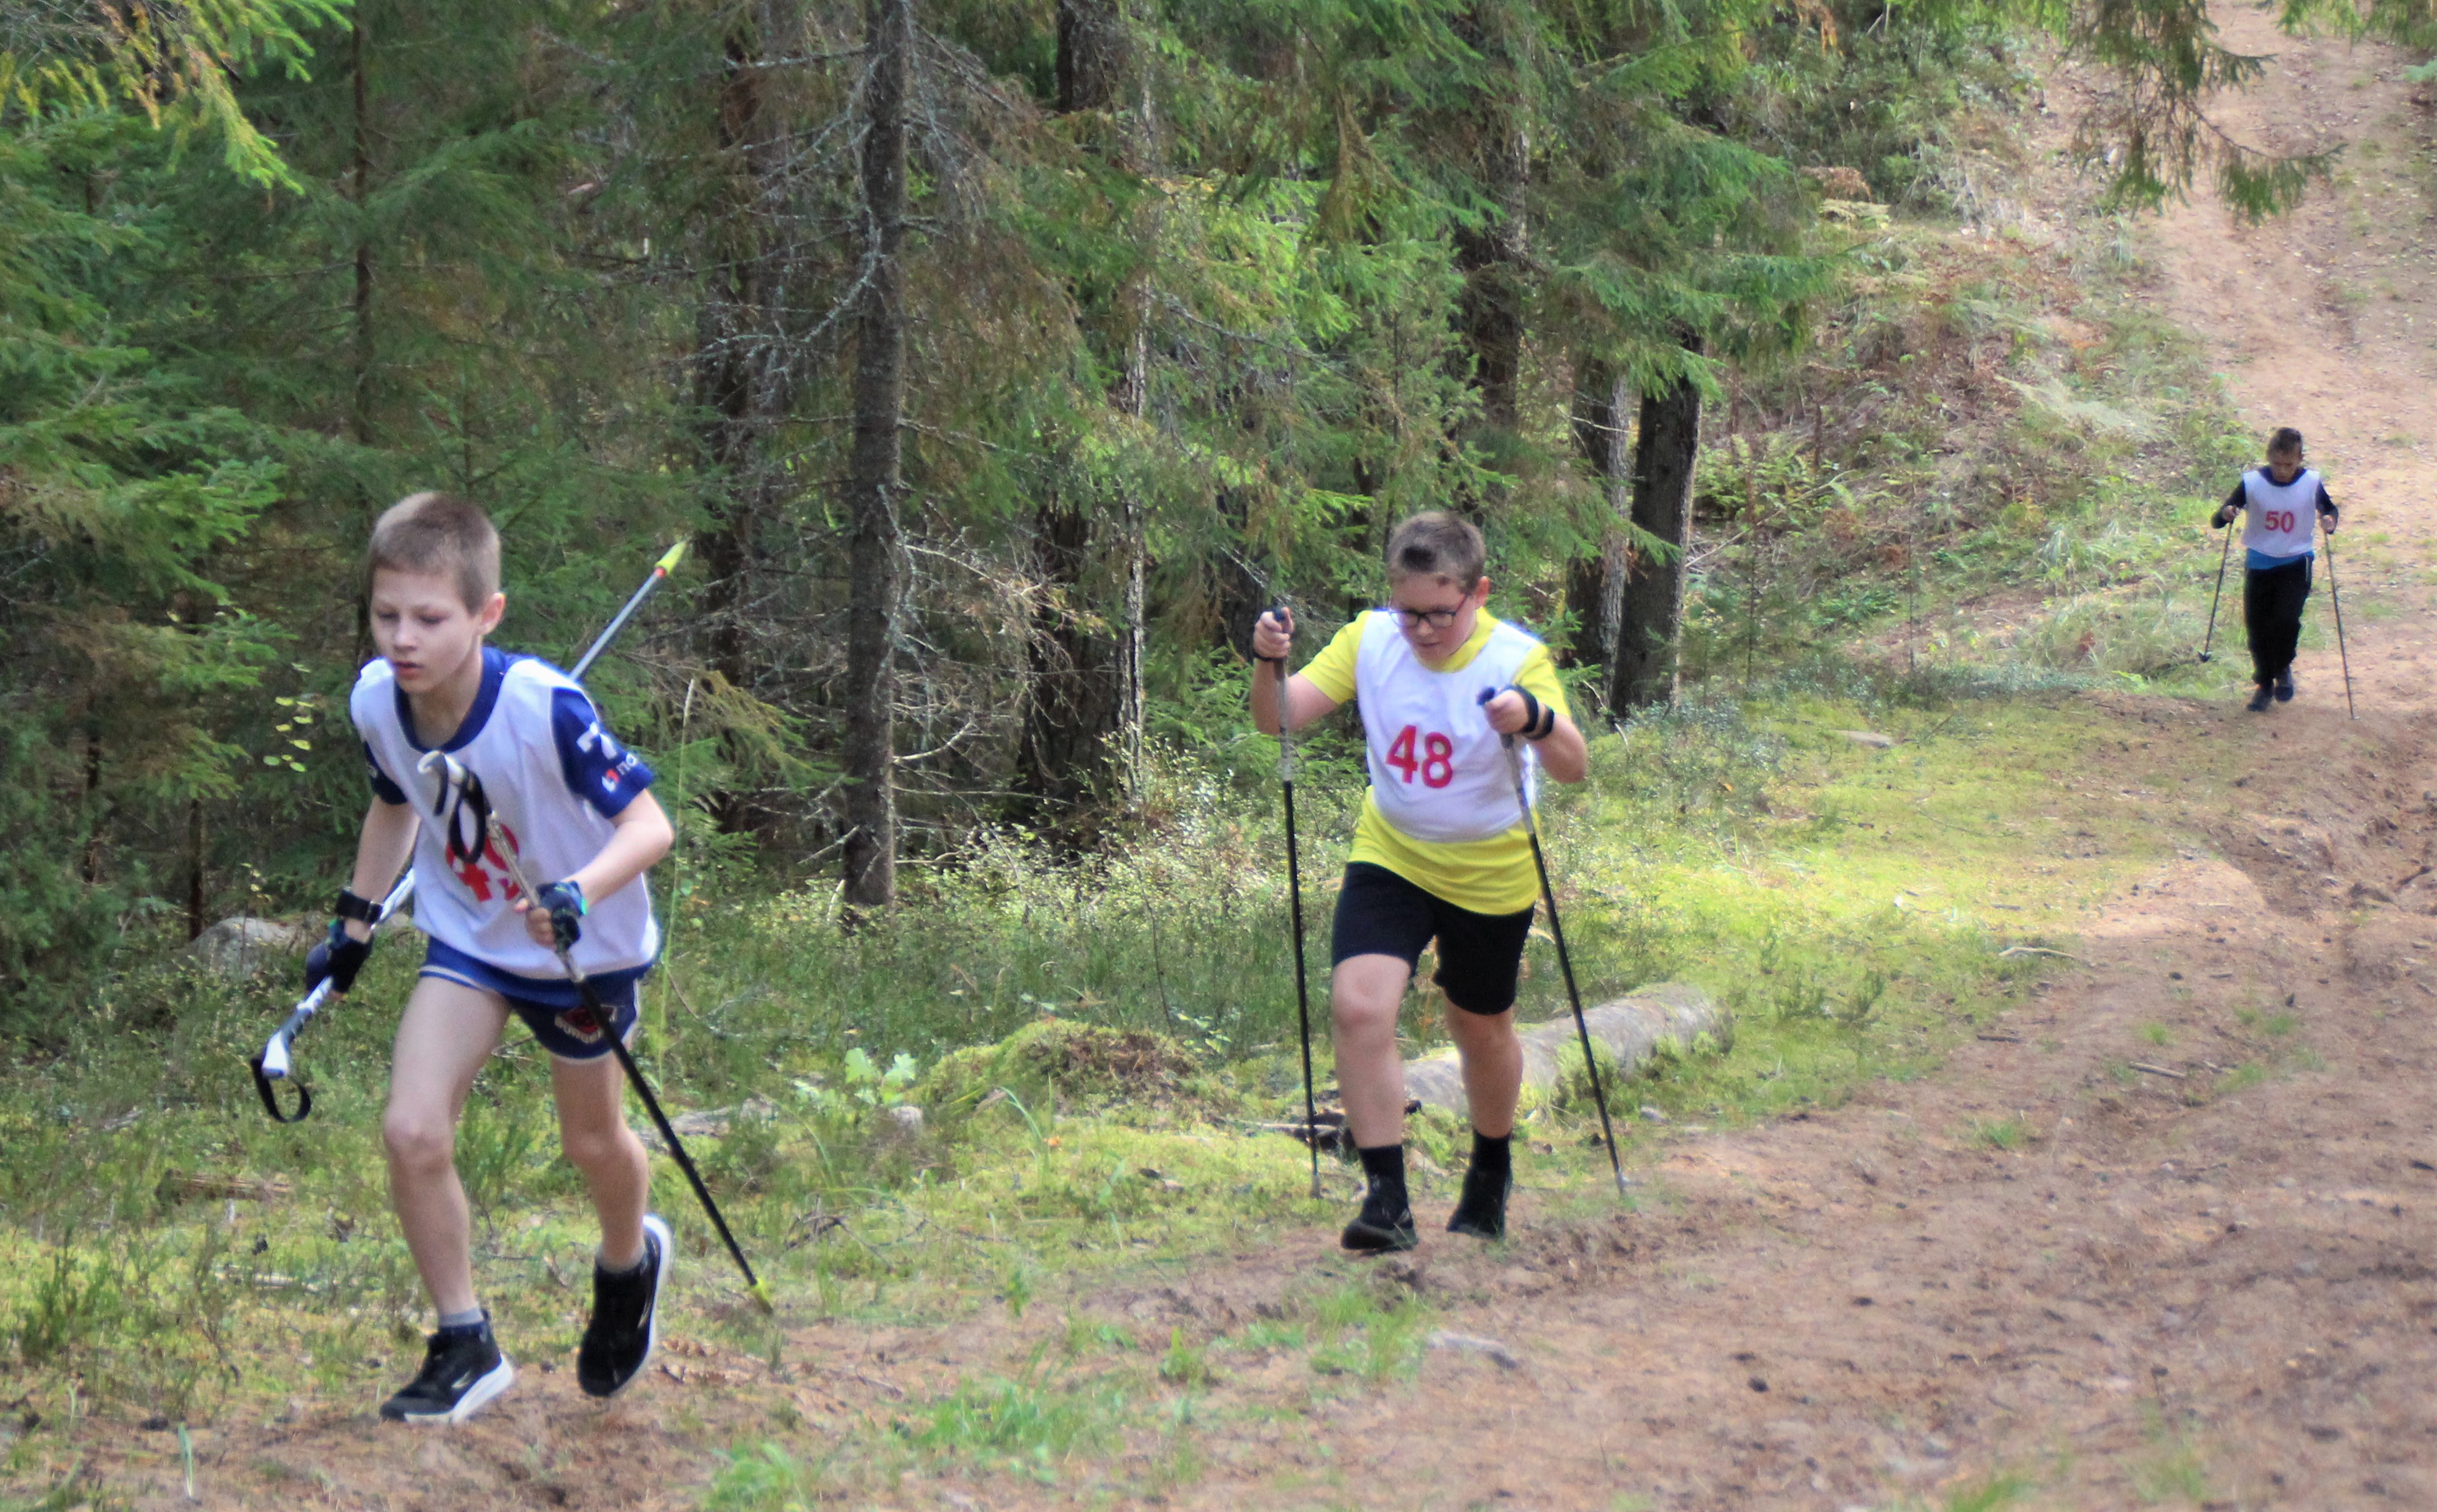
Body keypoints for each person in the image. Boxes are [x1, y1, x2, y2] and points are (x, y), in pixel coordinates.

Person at [305, 492, 676, 1424]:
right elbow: (395, 806)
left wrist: (575, 894)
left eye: (430, 618)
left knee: (590, 1142)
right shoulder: (374, 701)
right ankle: (463, 1339)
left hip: (583, 951)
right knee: (412, 1128)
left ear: (486, 614)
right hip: (471, 938)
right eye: (386, 614)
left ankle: (629, 1264)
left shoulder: (545, 706)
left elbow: (649, 825)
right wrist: (354, 925)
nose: (403, 638)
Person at [1250, 511, 1589, 1254]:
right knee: (1358, 1007)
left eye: (1440, 612)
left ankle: (1490, 1167)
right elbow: (1278, 719)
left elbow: (1573, 765)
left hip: (1489, 867)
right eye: (1409, 612)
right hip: (1393, 854)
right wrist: (1267, 659)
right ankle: (1386, 1200)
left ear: (1477, 593)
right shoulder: (1370, 640)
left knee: (1479, 1026)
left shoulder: (1513, 656)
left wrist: (1533, 718)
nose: (1423, 630)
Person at [2213, 426, 2339, 713]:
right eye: (2277, 464)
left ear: (2300, 459)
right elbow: (2218, 518)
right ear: (2268, 457)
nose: (2283, 471)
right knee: (2257, 628)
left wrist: (2330, 521)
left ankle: (2282, 668)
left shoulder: (2311, 482)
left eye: (2289, 465)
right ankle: (2264, 683)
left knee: (2286, 620)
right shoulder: (2252, 482)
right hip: (2260, 563)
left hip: (2296, 562)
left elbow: (2330, 509)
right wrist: (2227, 513)